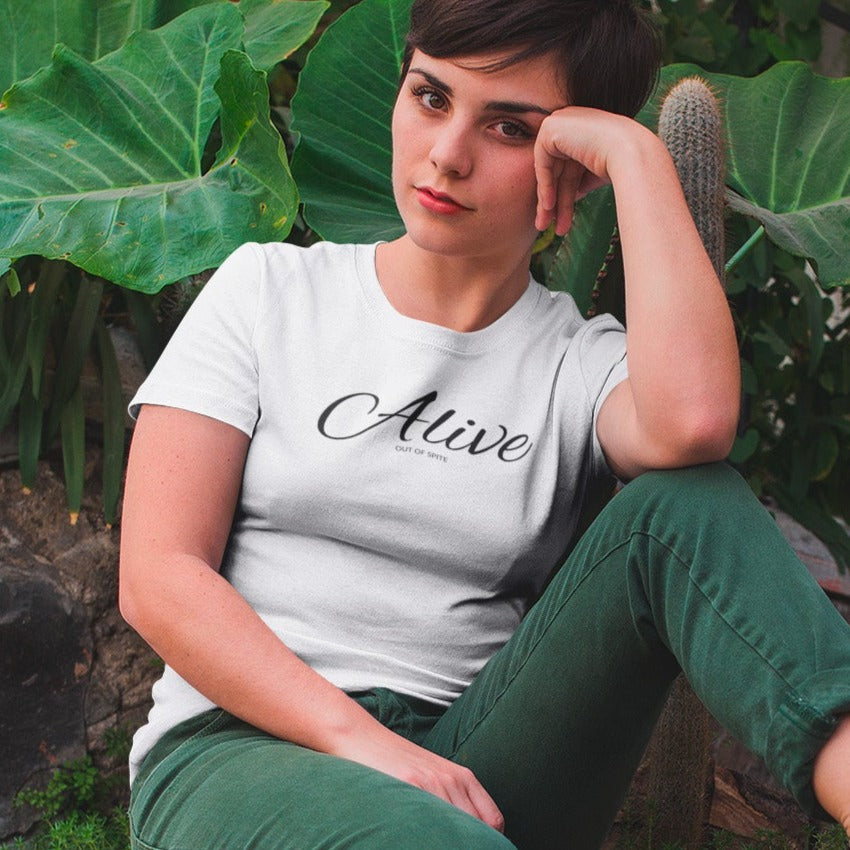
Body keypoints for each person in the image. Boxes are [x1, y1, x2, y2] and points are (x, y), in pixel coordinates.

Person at [119, 0, 850, 847]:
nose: (447, 155)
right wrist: (367, 745)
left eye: (508, 128)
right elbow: (158, 575)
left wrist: (641, 155)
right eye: (431, 97)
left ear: (572, 166)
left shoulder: (579, 365)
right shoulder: (270, 293)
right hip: (244, 750)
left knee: (689, 507)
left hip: (481, 763)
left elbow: (693, 426)